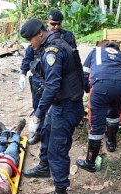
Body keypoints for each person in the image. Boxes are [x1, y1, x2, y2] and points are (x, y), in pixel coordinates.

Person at [20, 19, 84, 194]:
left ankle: (60, 192)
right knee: (47, 134)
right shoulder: (56, 42)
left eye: (31, 38)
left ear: (41, 33)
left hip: (66, 106)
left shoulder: (52, 51)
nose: (31, 43)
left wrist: (38, 114)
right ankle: (44, 166)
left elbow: (52, 85)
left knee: (57, 149)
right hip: (62, 103)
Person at [18, 9, 78, 145]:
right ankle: (39, 133)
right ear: (47, 23)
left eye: (58, 24)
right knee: (38, 105)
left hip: (55, 82)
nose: (55, 27)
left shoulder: (62, 41)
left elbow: (73, 62)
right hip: (39, 79)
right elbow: (28, 58)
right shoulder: (38, 42)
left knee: (49, 112)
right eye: (52, 24)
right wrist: (23, 73)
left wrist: (37, 116)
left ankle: (44, 131)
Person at [76, 40, 121, 173]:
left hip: (101, 87)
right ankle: (111, 144)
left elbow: (84, 73)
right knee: (114, 114)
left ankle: (90, 163)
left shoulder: (95, 51)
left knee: (96, 125)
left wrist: (88, 89)